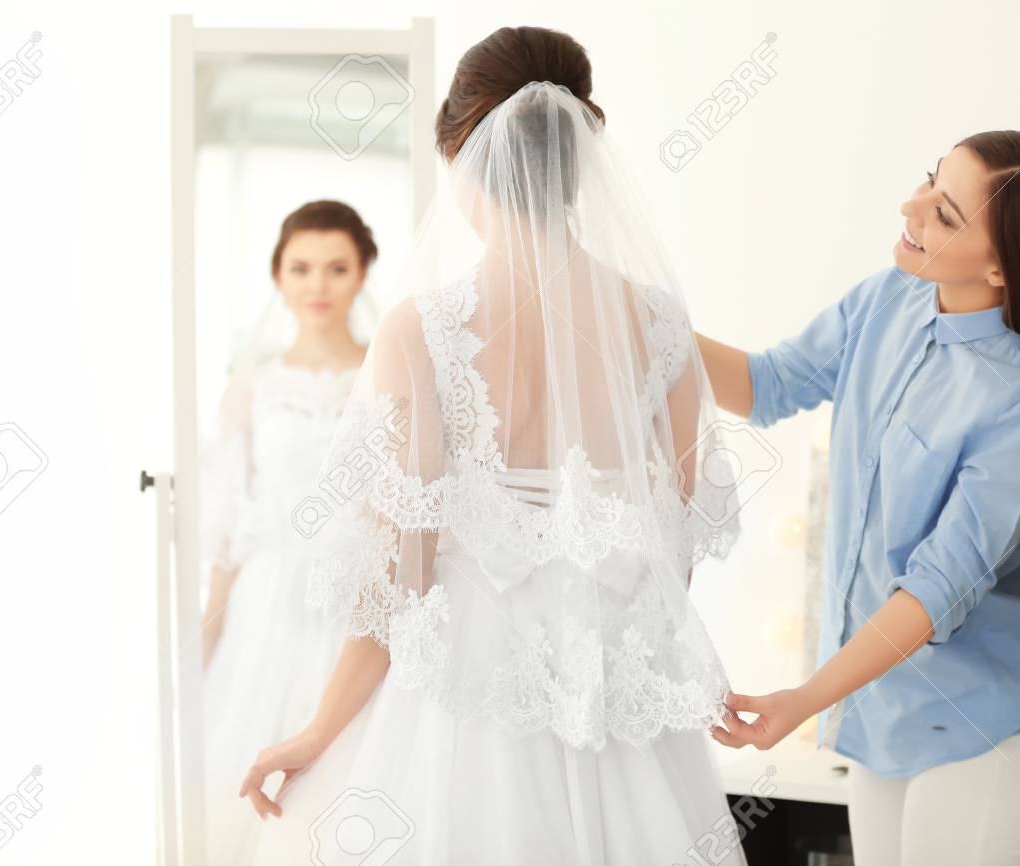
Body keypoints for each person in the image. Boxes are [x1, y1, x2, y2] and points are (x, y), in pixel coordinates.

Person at [240, 27, 747, 866]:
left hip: (465, 713)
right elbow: (675, 553)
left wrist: (318, 732)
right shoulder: (659, 324)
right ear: (580, 158)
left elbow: (400, 576)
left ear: (466, 159)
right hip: (621, 718)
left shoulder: (421, 330)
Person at [703, 131, 1020, 865]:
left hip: (985, 733)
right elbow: (766, 385)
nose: (911, 207)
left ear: (1000, 265)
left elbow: (932, 592)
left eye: (946, 213)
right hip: (882, 721)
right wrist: (636, 318)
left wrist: (801, 698)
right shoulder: (887, 300)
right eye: (930, 182)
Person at [199, 200, 374, 866]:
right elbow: (230, 524)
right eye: (300, 268)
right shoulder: (250, 387)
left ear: (362, 274)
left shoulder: (388, 374)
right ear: (278, 276)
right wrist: (206, 636)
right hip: (268, 608)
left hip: (357, 601)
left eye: (336, 267)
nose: (317, 284)